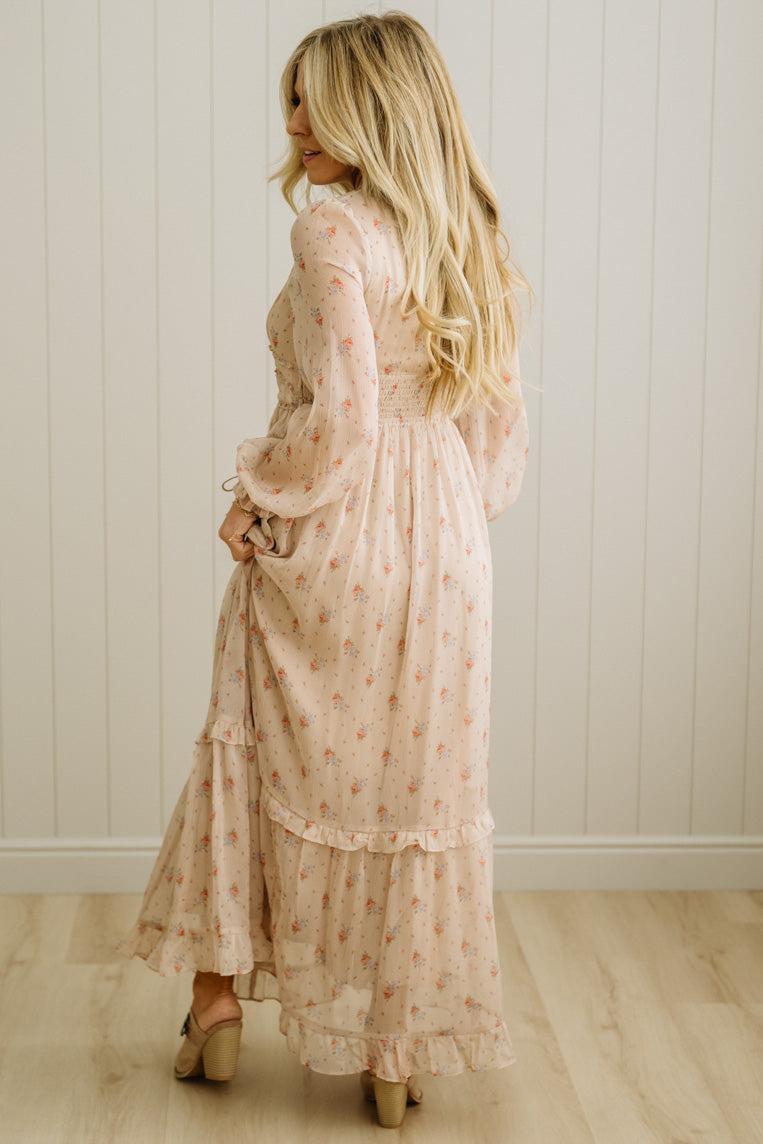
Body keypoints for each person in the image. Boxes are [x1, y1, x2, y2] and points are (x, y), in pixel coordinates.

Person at [116, 9, 531, 1130]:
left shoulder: (331, 230)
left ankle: (216, 1004)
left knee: (254, 742)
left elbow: (342, 420)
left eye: (312, 100)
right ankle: (390, 1054)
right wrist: (449, 524)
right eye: (290, 100)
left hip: (340, 529)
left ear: (372, 105)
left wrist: (257, 493)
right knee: (416, 788)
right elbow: (496, 426)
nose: (293, 123)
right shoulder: (467, 231)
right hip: (445, 543)